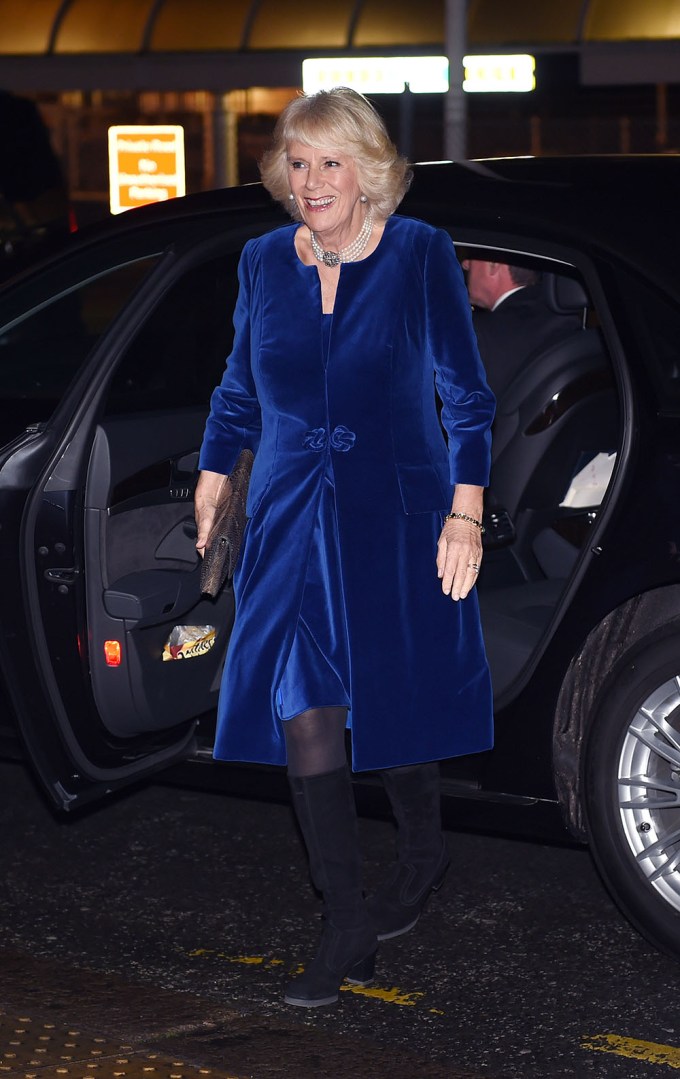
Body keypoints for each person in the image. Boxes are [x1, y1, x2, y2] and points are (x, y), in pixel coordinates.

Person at [194, 87, 495, 1009]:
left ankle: (423, 845)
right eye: (299, 161)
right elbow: (240, 389)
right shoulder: (259, 262)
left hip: (397, 515)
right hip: (288, 519)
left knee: (391, 697)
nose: (314, 180)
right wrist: (213, 473)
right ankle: (346, 914)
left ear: (369, 171)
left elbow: (468, 396)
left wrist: (465, 511)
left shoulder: (417, 253)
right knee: (303, 706)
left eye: (332, 162)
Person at [461, 258, 583, 400]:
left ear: (494, 265)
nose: (465, 264)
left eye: (473, 258)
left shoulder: (476, 334)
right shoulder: (569, 326)